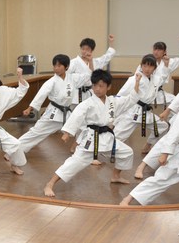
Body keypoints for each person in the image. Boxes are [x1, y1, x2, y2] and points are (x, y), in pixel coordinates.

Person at [43, 70, 140, 198]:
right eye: (94, 86)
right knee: (74, 163)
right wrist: (67, 132)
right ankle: (49, 184)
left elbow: (131, 100)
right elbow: (77, 116)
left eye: (101, 86)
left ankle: (116, 176)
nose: (97, 89)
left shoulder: (113, 101)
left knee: (127, 152)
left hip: (107, 138)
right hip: (91, 139)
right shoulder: (87, 103)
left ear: (108, 87)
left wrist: (137, 82)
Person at [17, 54, 90, 154]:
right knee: (36, 132)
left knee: (84, 129)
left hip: (67, 113)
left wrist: (89, 62)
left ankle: (83, 152)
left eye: (59, 66)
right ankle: (14, 150)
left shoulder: (73, 78)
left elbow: (88, 76)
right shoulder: (51, 82)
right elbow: (41, 95)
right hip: (54, 114)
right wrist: (30, 108)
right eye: (54, 66)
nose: (56, 68)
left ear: (67, 67)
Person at [113, 54, 170, 154]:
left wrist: (165, 65)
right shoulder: (134, 79)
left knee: (163, 126)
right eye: (145, 66)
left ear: (154, 68)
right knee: (117, 136)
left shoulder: (155, 79)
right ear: (141, 66)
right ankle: (97, 155)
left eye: (150, 66)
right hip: (132, 113)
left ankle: (148, 145)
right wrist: (115, 112)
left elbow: (163, 77)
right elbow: (120, 95)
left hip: (146, 112)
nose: (147, 69)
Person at [68, 35, 116, 105]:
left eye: (87, 49)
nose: (84, 51)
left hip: (90, 93)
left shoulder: (95, 62)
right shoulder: (74, 62)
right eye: (83, 49)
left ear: (92, 50)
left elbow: (107, 57)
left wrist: (111, 43)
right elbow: (67, 76)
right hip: (76, 95)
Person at [143, 36, 179, 109]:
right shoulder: (148, 62)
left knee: (177, 102)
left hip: (159, 92)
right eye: (155, 49)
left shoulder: (169, 62)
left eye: (159, 50)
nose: (156, 52)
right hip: (146, 91)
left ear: (164, 52)